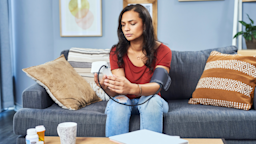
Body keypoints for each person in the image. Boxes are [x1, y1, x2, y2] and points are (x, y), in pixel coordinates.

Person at [94, 4, 172, 137]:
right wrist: (106, 87)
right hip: (124, 100)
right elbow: (119, 91)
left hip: (150, 100)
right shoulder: (116, 51)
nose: (127, 29)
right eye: (123, 25)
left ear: (145, 25)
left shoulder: (163, 51)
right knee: (119, 102)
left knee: (151, 101)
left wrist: (132, 88)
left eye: (132, 23)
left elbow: (157, 86)